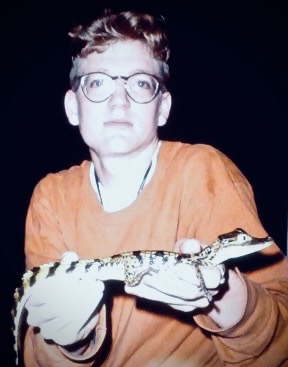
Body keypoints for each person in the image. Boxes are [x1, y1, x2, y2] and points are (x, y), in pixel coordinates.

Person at [19, 8, 288, 367]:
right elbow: (35, 356)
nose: (119, 101)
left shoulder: (202, 171)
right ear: (73, 107)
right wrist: (74, 340)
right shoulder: (50, 197)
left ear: (162, 108)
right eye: (97, 82)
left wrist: (224, 296)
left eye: (141, 83)